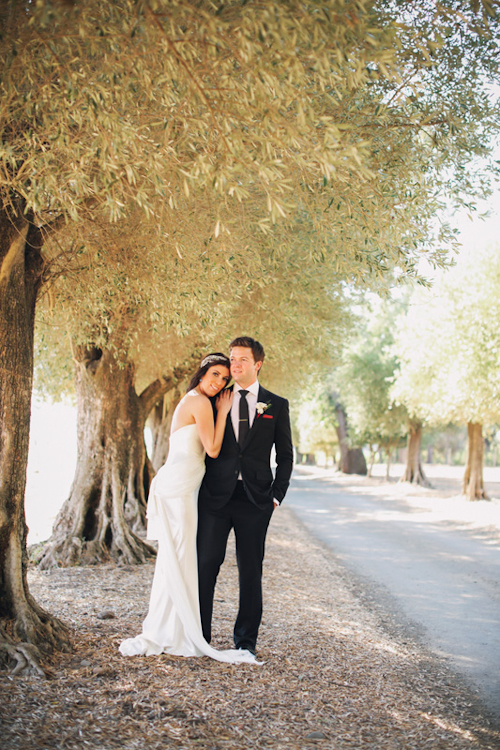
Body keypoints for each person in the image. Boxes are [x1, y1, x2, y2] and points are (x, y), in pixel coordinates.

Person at [119, 353, 257, 664]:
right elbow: (212, 448)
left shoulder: (194, 399)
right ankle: (169, 630)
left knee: (178, 558)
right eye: (216, 375)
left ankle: (172, 626)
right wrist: (223, 411)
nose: (219, 382)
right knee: (179, 556)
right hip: (178, 488)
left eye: (224, 379)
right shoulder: (198, 402)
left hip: (182, 485)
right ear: (203, 372)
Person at [197, 337, 294, 656]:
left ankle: (246, 642)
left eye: (241, 359)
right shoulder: (214, 398)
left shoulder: (276, 404)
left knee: (251, 569)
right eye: (232, 358)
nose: (234, 364)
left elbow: (285, 454)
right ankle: (200, 635)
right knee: (206, 564)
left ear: (257, 364)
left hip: (256, 501)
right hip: (215, 498)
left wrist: (276, 495)